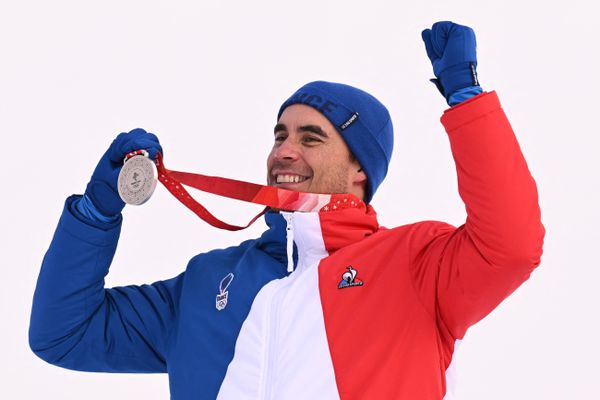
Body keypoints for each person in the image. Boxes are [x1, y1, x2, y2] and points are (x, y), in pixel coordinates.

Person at [29, 21, 545, 400]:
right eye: (279, 135)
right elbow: (64, 334)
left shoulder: (415, 263)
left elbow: (512, 246)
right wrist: (95, 215)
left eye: (311, 137)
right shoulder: (209, 280)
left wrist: (467, 100)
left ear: (360, 168)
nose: (284, 150)